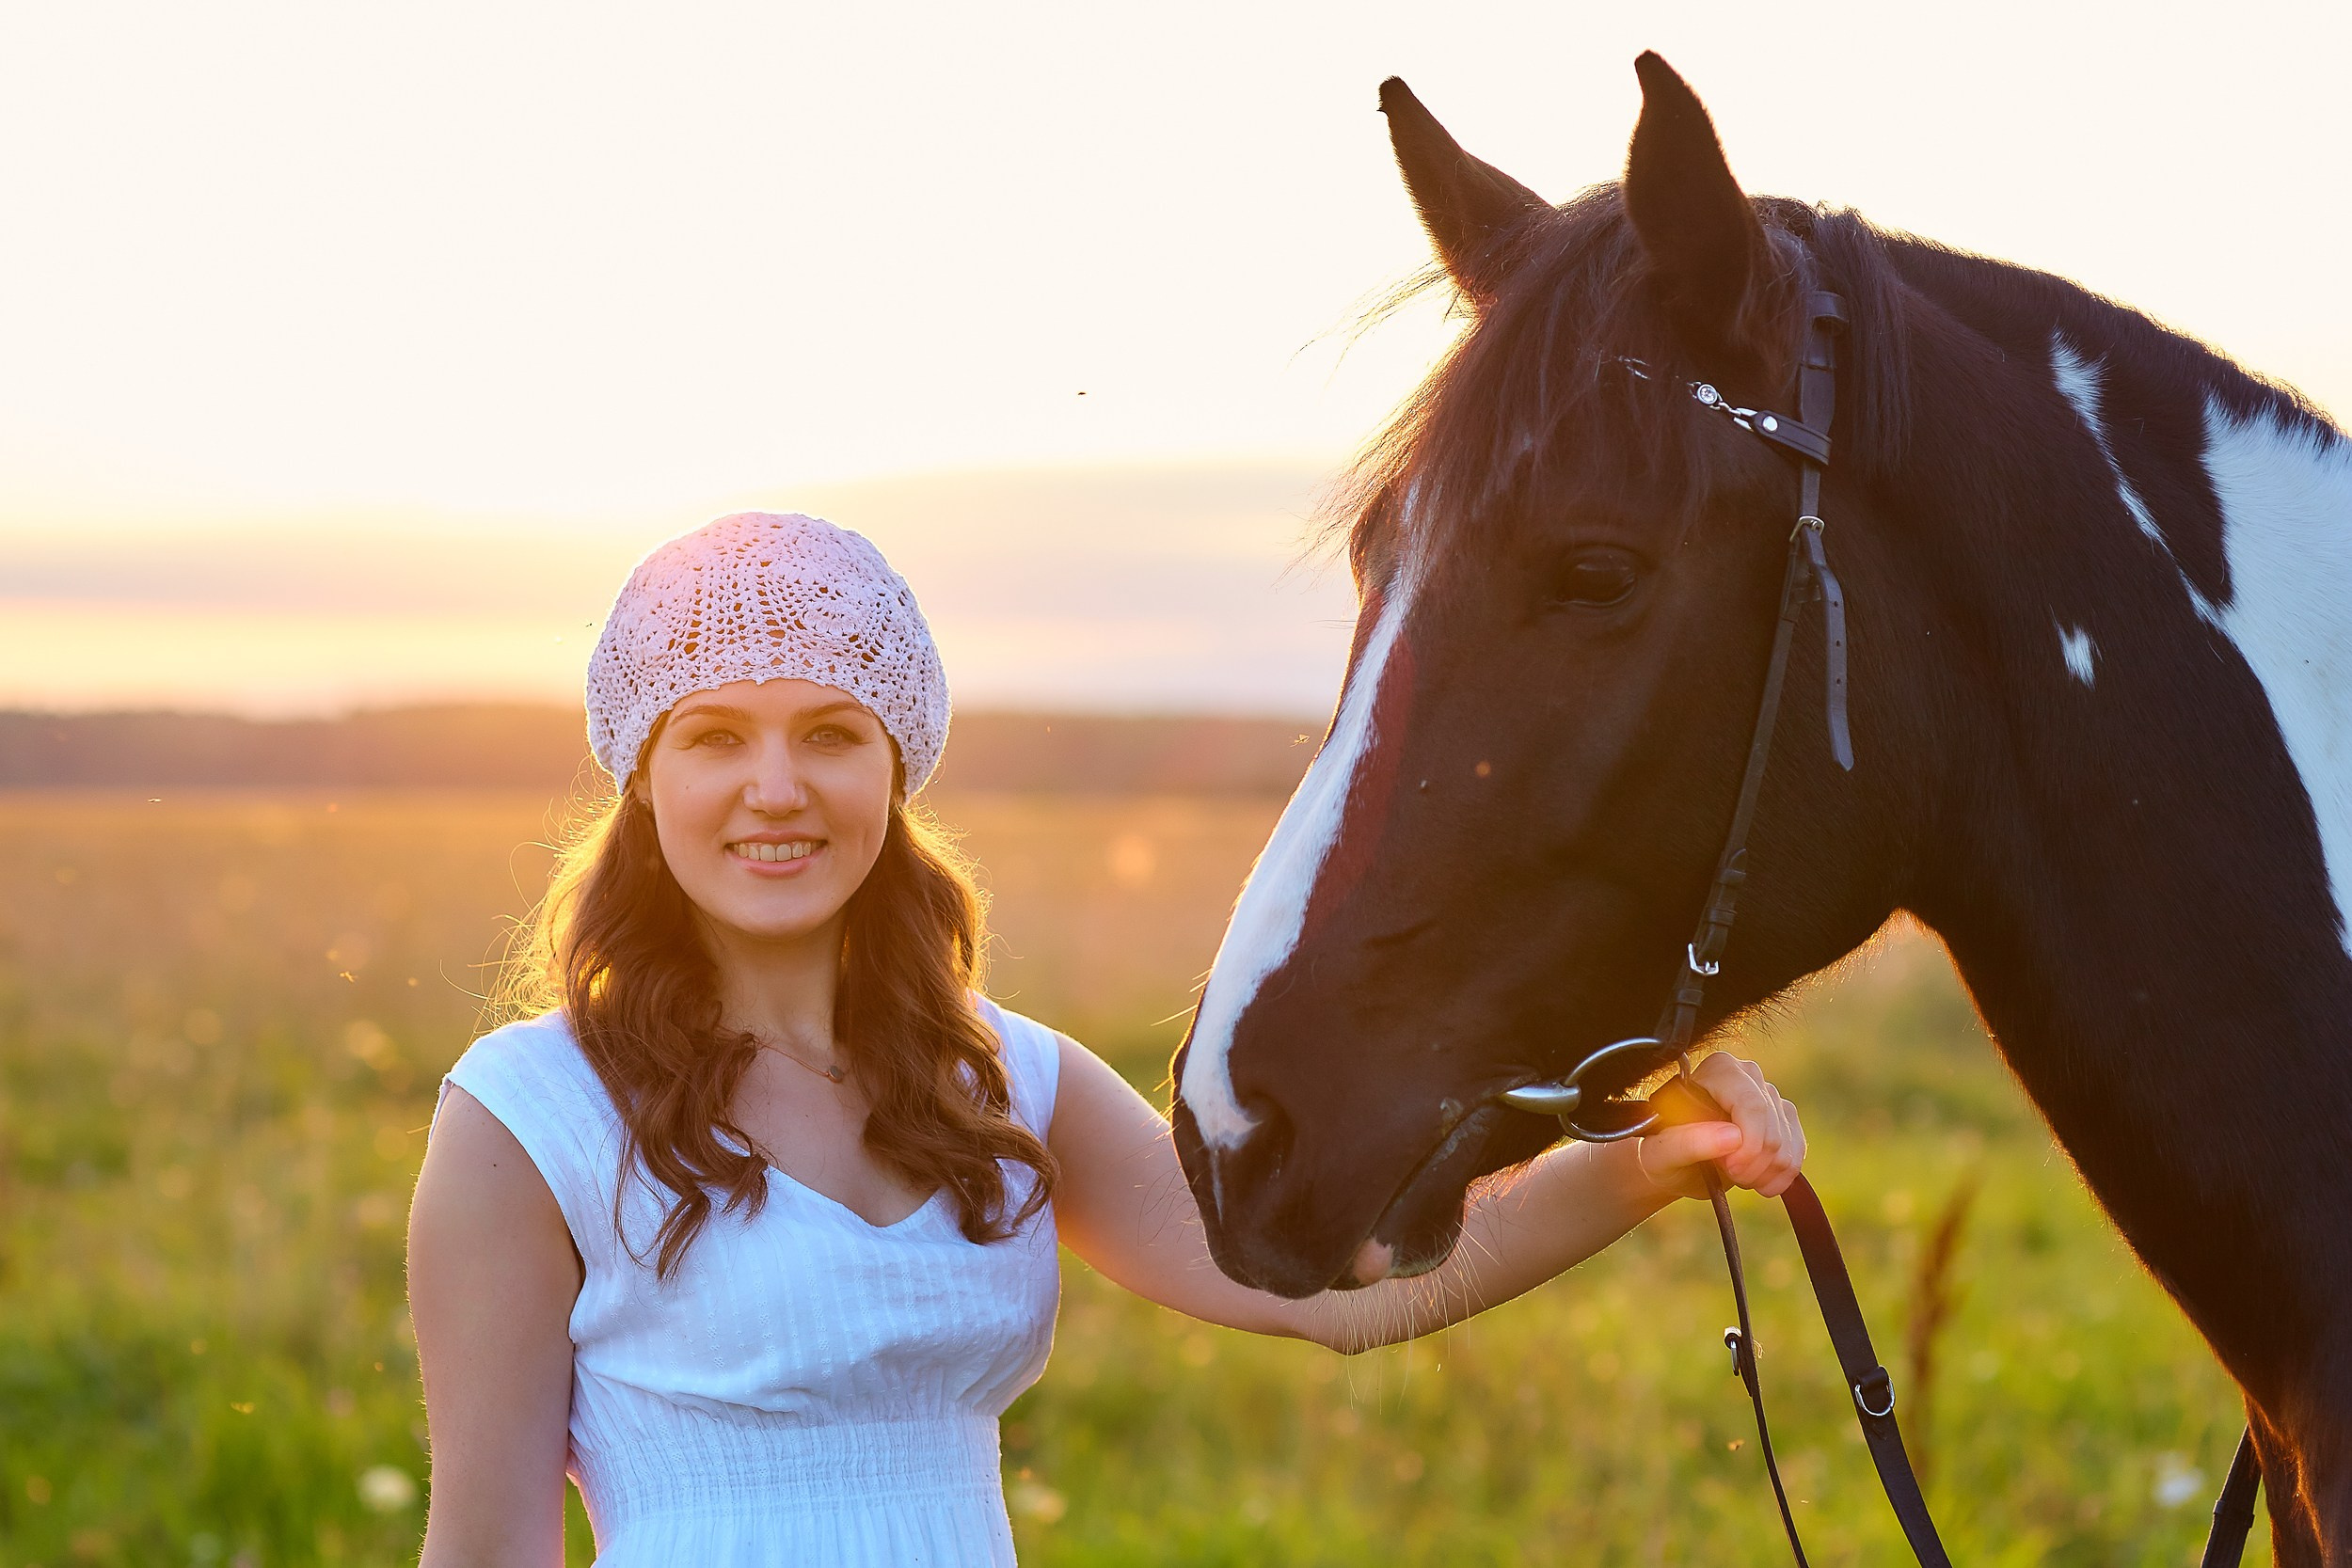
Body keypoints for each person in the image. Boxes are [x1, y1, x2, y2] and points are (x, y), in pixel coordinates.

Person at [405, 511, 1806, 1565]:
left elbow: (1333, 1292)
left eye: (832, 732)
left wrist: (1646, 1162)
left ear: (897, 767)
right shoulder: (529, 1116)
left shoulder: (1008, 1080)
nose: (777, 788)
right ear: (642, 780)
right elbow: (487, 1550)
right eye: (714, 737)